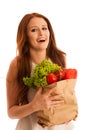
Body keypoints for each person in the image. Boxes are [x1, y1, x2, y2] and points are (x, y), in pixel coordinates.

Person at [6, 12, 74, 130]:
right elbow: (11, 112)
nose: (42, 33)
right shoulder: (18, 64)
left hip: (60, 126)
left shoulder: (59, 58)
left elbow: (67, 94)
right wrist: (34, 106)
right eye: (34, 30)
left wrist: (70, 110)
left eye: (44, 28)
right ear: (25, 36)